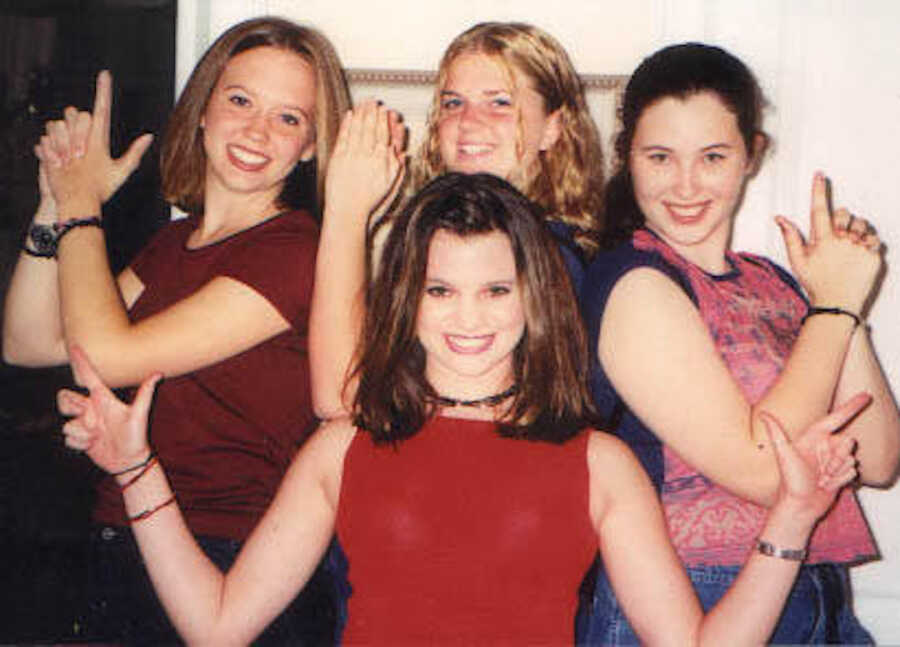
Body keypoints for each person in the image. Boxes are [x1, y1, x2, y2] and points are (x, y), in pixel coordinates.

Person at [58, 172, 866, 645]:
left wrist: (792, 518)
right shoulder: (343, 449)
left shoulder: (599, 461)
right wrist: (134, 467)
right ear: (407, 301)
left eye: (494, 290)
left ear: (534, 300)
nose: (467, 317)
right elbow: (219, 624)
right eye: (440, 289)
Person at [3, 17, 351, 644]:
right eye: (240, 100)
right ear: (203, 110)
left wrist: (85, 204)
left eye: (289, 118)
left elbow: (109, 357)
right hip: (124, 540)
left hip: (224, 564)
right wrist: (56, 201)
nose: (256, 130)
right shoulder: (174, 242)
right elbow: (31, 343)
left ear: (310, 147)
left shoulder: (296, 251)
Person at [579, 42, 900, 644]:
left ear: (752, 155)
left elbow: (878, 458)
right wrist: (831, 306)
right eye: (659, 157)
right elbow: (760, 468)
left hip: (821, 596)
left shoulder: (774, 280)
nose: (685, 184)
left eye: (713, 156)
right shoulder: (632, 281)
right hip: (695, 599)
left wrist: (842, 302)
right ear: (627, 157)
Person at [310, 21, 604, 418]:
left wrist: (345, 210)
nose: (468, 122)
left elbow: (343, 399)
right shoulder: (433, 237)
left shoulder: (549, 255)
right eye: (453, 103)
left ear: (553, 128)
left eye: (500, 102)